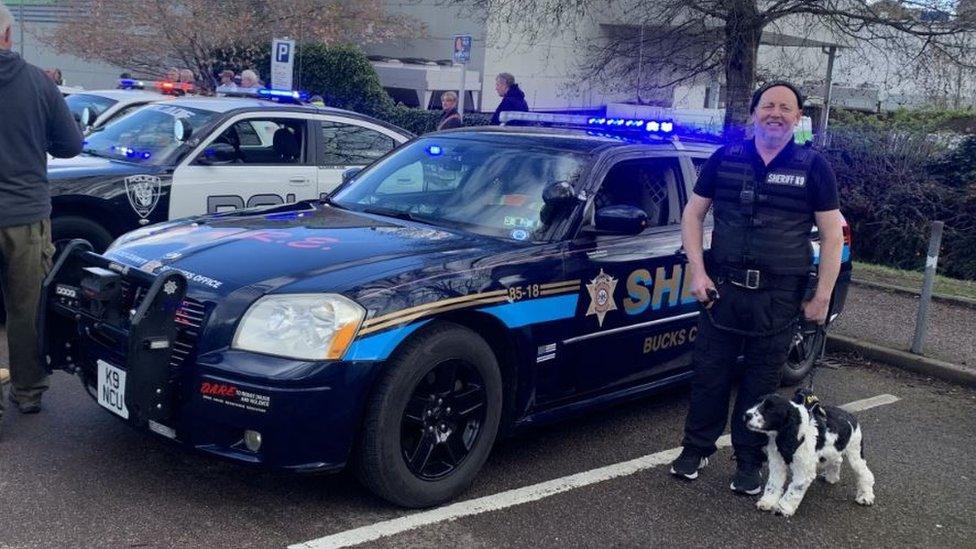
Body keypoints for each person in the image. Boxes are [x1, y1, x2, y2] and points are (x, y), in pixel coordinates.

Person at [669, 81, 845, 495]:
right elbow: (692, 216)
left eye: (786, 107)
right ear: (753, 113)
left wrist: (822, 295)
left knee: (761, 384)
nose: (776, 113)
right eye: (768, 105)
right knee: (710, 375)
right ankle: (696, 449)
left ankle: (749, 461)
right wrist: (698, 272)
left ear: (799, 118)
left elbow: (832, 234)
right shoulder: (724, 158)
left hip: (779, 296)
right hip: (723, 291)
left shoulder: (813, 166)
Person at [0, 1, 83, 428]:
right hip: (25, 216)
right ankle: (27, 391)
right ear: (8, 36)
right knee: (24, 307)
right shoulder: (38, 83)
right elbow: (70, 145)